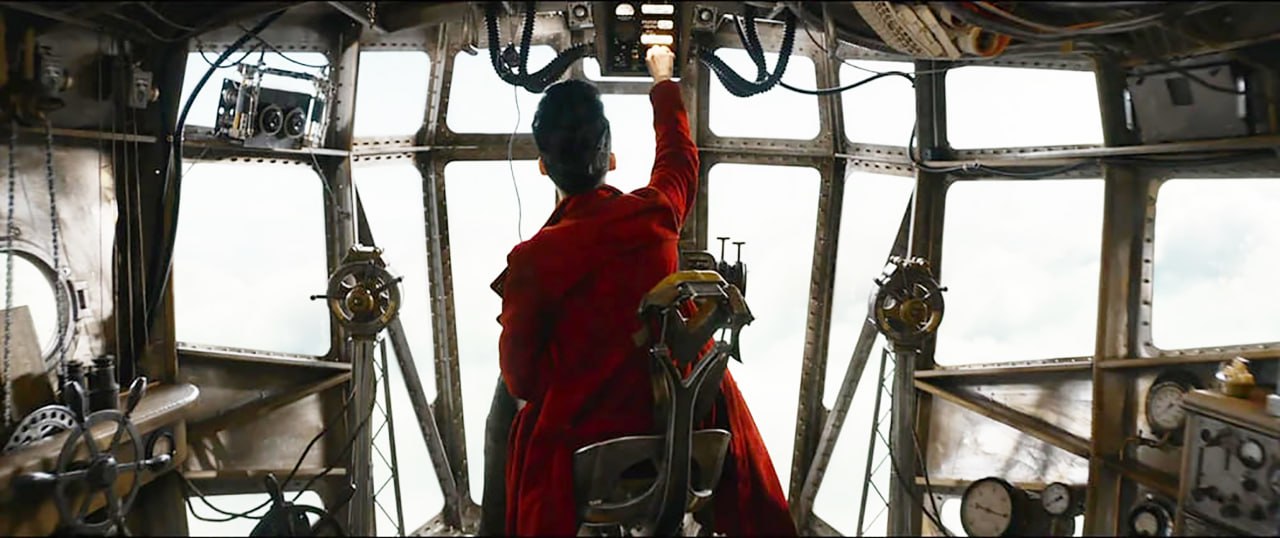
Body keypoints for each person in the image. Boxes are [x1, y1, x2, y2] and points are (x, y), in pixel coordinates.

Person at [493, 45, 797, 536]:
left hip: (588, 446)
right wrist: (662, 80)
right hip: (686, 427)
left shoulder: (531, 261)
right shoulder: (655, 214)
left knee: (502, 415)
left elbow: (522, 381)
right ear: (610, 156)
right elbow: (679, 157)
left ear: (543, 165)